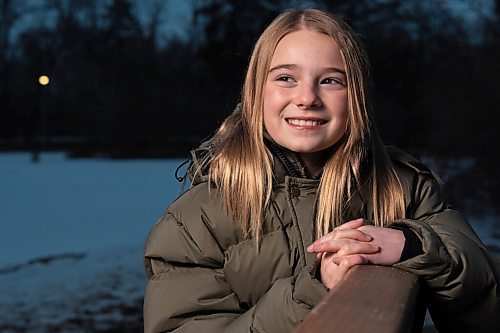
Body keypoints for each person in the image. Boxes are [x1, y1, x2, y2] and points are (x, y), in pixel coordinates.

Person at [143, 8, 499, 333]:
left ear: (356, 96)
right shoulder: (196, 219)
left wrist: (413, 245)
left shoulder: (405, 187)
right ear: (256, 92)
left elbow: (487, 306)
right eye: (285, 78)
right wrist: (313, 289)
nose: (307, 97)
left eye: (330, 80)